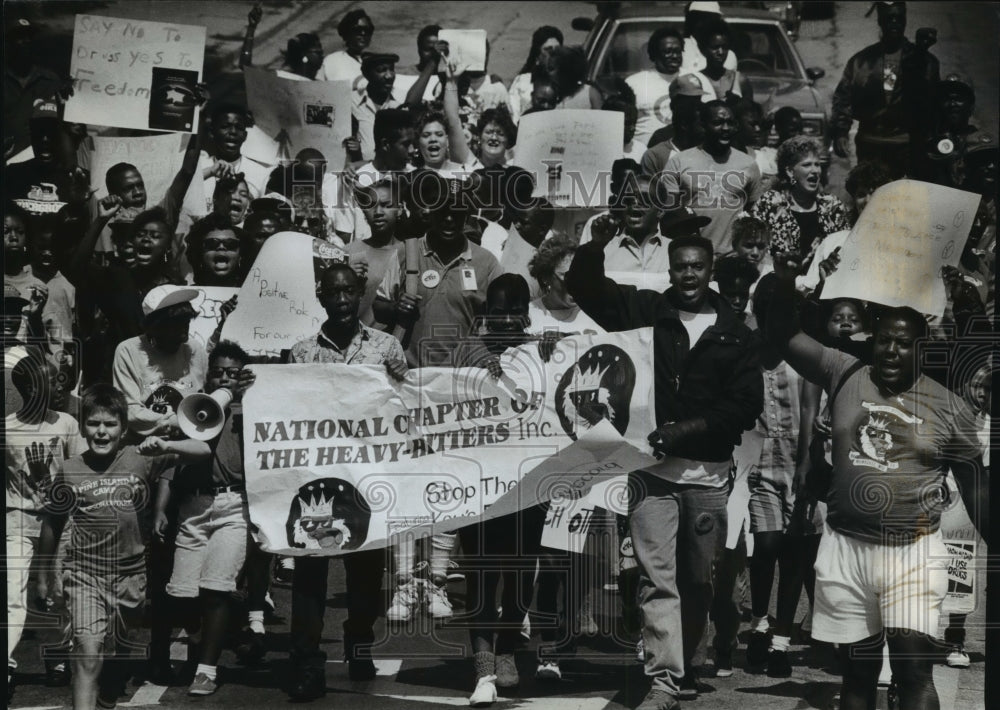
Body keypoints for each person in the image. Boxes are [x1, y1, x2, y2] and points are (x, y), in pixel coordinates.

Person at [767, 255, 988, 710]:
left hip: (913, 551)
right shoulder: (843, 371)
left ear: (921, 348)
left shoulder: (951, 407)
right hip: (846, 549)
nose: (891, 350)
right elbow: (779, 331)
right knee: (857, 675)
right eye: (884, 340)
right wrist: (790, 278)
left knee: (913, 674)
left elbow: (978, 491)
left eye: (903, 344)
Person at [565, 230, 762, 709]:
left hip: (709, 476)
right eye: (680, 267)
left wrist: (682, 431)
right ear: (669, 269)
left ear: (710, 269)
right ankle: (664, 681)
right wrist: (599, 239)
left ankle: (687, 659)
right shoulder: (647, 310)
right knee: (658, 580)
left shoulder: (737, 330)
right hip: (651, 474)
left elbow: (743, 407)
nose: (689, 275)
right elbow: (583, 285)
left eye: (697, 266)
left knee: (698, 582)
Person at [36, 384, 208, 710]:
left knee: (120, 652)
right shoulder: (70, 470)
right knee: (87, 653)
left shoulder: (138, 459)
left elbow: (203, 450)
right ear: (83, 426)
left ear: (123, 428)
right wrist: (44, 575)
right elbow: (52, 524)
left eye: (110, 424)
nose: (102, 432)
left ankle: (110, 692)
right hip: (85, 574)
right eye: (94, 423)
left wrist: (165, 444)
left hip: (131, 577)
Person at [284, 262, 407, 702]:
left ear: (360, 295)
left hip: (367, 478)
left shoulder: (387, 347)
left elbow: (406, 403)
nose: (340, 300)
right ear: (320, 296)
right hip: (316, 479)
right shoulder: (300, 353)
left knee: (365, 571)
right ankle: (304, 658)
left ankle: (359, 643)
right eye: (332, 293)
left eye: (348, 292)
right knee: (311, 569)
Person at [455, 273, 548, 706]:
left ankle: (509, 644)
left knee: (518, 570)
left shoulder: (542, 352)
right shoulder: (465, 351)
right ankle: (483, 666)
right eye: (498, 311)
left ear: (527, 313)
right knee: (478, 573)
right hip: (476, 486)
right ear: (485, 314)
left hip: (528, 486)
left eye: (516, 310)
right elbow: (433, 396)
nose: (507, 319)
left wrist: (549, 353)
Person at [156, 341, 256, 696]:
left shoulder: (254, 409)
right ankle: (226, 627)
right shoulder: (193, 406)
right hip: (194, 509)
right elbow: (175, 462)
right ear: (208, 373)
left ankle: (206, 669)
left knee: (215, 590)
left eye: (233, 372)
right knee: (183, 596)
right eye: (219, 371)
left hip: (233, 506)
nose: (225, 378)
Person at [6, 346, 85, 696]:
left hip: (59, 522)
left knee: (55, 594)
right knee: (12, 594)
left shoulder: (66, 423)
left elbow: (79, 475)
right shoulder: (6, 429)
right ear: (33, 388)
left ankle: (57, 655)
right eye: (53, 380)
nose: (62, 385)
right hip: (18, 520)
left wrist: (46, 482)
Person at [830, 1, 939, 175]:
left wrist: (921, 54)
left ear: (905, 20)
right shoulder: (861, 61)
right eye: (889, 18)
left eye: (899, 18)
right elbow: (843, 97)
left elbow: (930, 102)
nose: (894, 22)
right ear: (880, 21)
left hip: (906, 146)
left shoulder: (924, 61)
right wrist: (840, 132)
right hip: (869, 144)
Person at [661, 100, 762, 255]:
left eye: (730, 123)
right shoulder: (679, 162)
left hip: (732, 257)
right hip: (693, 255)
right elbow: (670, 214)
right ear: (703, 125)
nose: (726, 128)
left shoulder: (749, 164)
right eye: (718, 123)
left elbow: (753, 213)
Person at [111, 286, 208, 438]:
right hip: (144, 444)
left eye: (186, 324)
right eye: (175, 328)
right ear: (154, 327)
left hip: (190, 441)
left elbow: (205, 394)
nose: (184, 338)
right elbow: (129, 409)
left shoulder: (194, 348)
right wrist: (177, 422)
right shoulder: (127, 351)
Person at [795, 160, 893, 296]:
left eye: (875, 193)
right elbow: (808, 295)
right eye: (861, 194)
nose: (868, 201)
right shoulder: (833, 242)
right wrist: (823, 281)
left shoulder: (904, 242)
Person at [750, 136, 849, 266]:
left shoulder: (832, 205)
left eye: (817, 164)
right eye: (807, 165)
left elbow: (845, 248)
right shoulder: (770, 203)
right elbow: (757, 248)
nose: (815, 171)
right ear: (790, 171)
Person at [344, 179, 403, 325]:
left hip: (394, 343)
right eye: (371, 206)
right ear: (364, 211)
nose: (378, 212)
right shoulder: (349, 252)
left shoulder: (410, 254)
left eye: (386, 205)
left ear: (399, 209)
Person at [626, 28, 684, 146]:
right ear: (654, 54)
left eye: (677, 51)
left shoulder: (697, 79)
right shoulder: (634, 83)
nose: (674, 56)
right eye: (667, 51)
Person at [677, 17, 751, 104]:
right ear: (703, 49)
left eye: (724, 47)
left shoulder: (740, 80)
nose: (720, 52)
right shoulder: (695, 81)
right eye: (714, 47)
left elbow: (750, 114)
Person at [507, 26, 563, 123]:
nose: (554, 54)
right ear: (537, 56)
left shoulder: (570, 83)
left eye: (558, 49)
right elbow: (513, 116)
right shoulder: (522, 83)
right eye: (548, 49)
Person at [184, 213, 247, 287]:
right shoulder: (186, 296)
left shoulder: (253, 296)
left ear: (240, 254)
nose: (221, 247)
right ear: (199, 253)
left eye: (231, 244)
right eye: (211, 243)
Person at [678, 1, 739, 76]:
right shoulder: (680, 49)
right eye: (701, 17)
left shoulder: (729, 56)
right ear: (692, 20)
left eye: (711, 18)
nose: (706, 23)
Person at [318, 9, 373, 87]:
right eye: (358, 30)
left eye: (367, 30)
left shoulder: (376, 63)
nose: (363, 33)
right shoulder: (331, 61)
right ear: (347, 33)